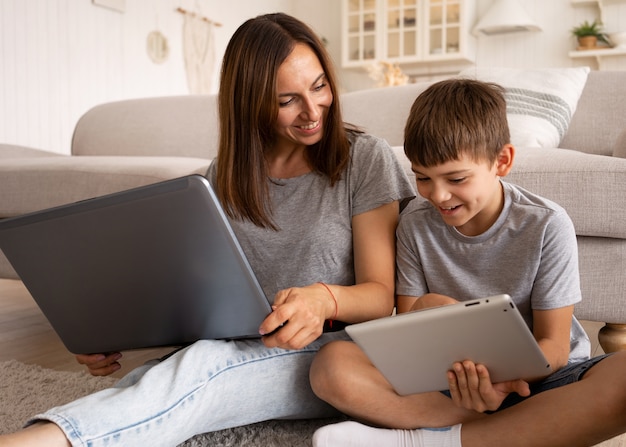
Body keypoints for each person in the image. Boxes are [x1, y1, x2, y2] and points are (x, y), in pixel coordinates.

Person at [0, 13, 415, 446]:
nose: (313, 111)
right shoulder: (225, 174)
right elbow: (198, 294)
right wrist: (113, 333)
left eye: (319, 86)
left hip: (330, 351)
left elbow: (380, 296)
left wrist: (321, 298)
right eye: (287, 100)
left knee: (200, 372)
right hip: (237, 343)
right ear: (251, 102)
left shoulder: (364, 159)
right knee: (169, 374)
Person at [309, 78, 626, 447]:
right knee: (331, 364)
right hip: (446, 384)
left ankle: (427, 440)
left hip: (537, 381)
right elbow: (413, 325)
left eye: (456, 178)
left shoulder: (546, 224)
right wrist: (440, 327)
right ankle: (497, 431)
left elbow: (554, 347)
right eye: (423, 178)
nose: (438, 195)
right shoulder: (415, 223)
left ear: (502, 161)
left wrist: (501, 382)